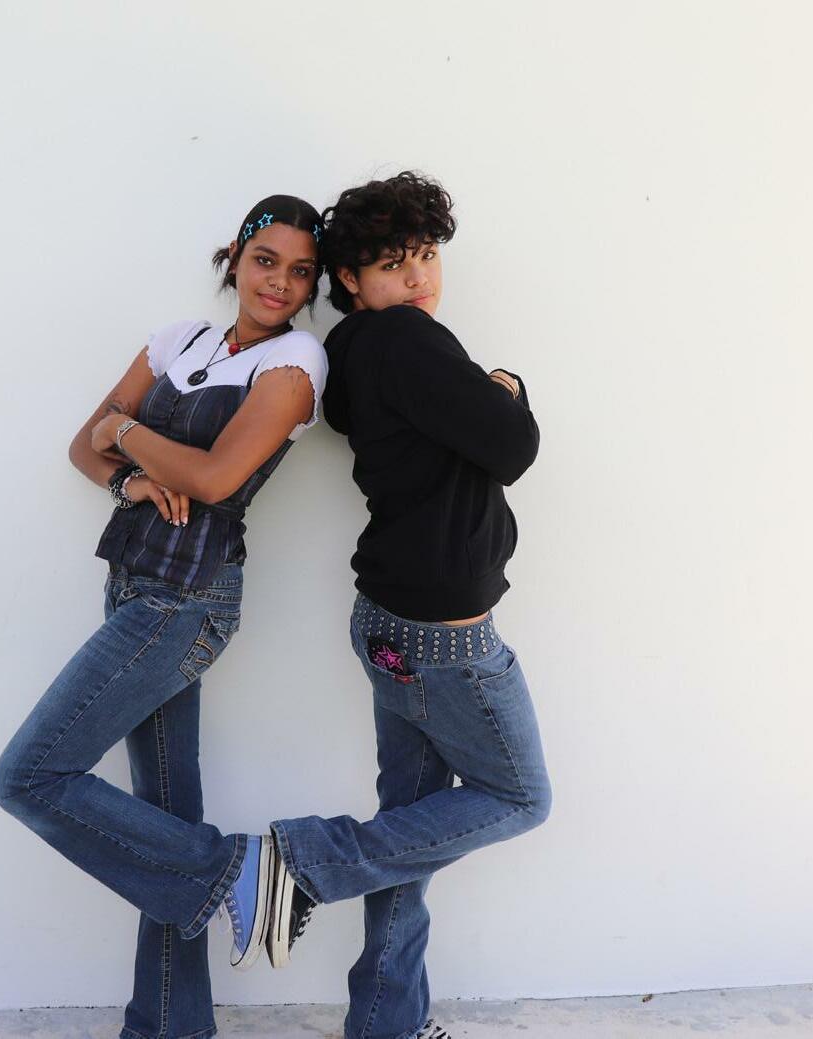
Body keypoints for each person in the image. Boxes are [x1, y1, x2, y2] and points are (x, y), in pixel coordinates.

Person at [0, 194, 328, 1039]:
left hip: (188, 600)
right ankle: (171, 1025)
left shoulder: (296, 363)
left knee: (29, 776)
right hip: (131, 583)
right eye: (265, 260)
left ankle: (242, 869)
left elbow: (213, 478)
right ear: (235, 257)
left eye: (300, 272)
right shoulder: (181, 339)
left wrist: (125, 430)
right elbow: (84, 445)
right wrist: (126, 477)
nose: (279, 283)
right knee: (161, 824)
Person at [263, 172, 552, 1039]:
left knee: (413, 826)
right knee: (518, 796)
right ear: (351, 280)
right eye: (393, 264)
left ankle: (385, 1025)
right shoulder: (406, 338)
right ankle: (300, 861)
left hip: (389, 619)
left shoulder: (357, 349)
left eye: (425, 255)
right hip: (444, 639)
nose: (419, 275)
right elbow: (510, 448)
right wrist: (507, 385)